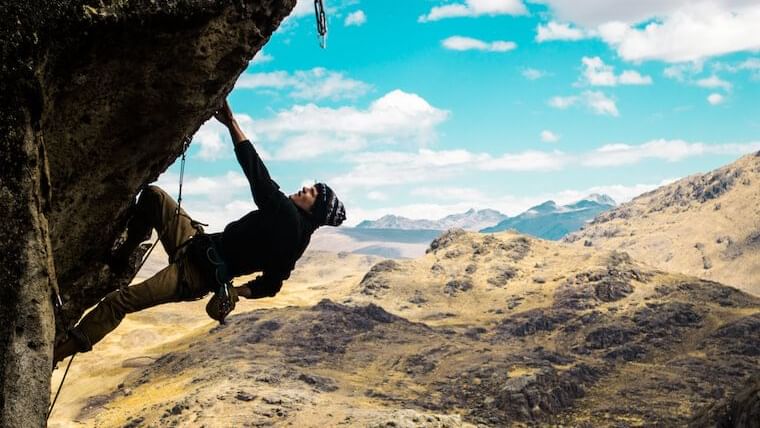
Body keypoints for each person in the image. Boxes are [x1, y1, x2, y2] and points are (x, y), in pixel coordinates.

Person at [53, 100, 346, 365]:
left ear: (314, 211)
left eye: (313, 193)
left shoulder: (287, 219)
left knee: (119, 302)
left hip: (192, 275)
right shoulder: (298, 241)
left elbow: (258, 175)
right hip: (195, 245)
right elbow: (272, 284)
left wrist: (232, 124)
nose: (306, 188)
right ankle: (123, 257)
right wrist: (237, 291)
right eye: (312, 187)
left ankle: (57, 352)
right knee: (154, 197)